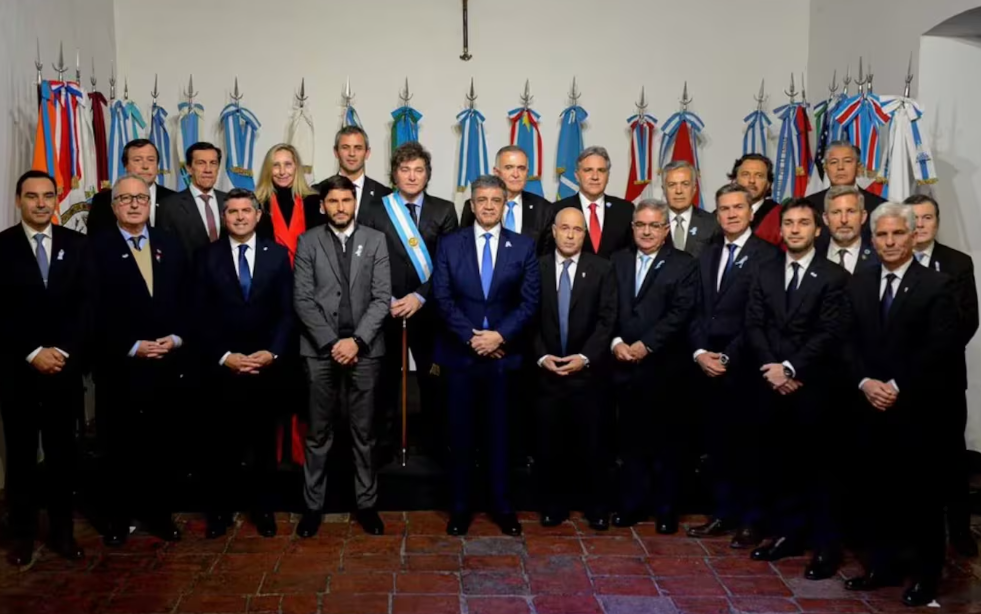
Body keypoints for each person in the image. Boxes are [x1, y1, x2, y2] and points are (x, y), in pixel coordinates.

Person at [842, 203, 958, 606]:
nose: (890, 242)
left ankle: (926, 576)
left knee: (921, 498)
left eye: (897, 234)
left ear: (912, 236)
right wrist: (865, 382)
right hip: (868, 406)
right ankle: (882, 566)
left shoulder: (937, 285)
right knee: (876, 493)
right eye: (882, 235)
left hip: (915, 410)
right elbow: (846, 340)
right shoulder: (859, 281)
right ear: (873, 240)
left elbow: (939, 347)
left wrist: (895, 385)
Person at [745, 199, 851, 581]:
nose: (794, 229)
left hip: (813, 387)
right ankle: (788, 535)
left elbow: (830, 332)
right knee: (780, 465)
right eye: (788, 223)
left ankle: (826, 547)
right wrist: (773, 369)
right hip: (771, 385)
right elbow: (754, 324)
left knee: (819, 471)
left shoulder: (834, 276)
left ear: (817, 230)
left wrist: (791, 368)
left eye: (803, 223)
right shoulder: (764, 271)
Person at [432, 174, 540, 537]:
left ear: (505, 205)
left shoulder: (523, 246)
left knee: (501, 437)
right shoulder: (450, 244)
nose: (489, 206)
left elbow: (529, 302)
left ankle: (503, 507)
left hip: (503, 359)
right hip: (460, 358)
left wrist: (499, 336)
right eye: (482, 200)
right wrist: (471, 338)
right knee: (460, 437)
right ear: (472, 204)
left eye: (496, 200)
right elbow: (442, 297)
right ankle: (460, 508)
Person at [89, 173, 190, 546]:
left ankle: (159, 515)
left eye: (141, 198)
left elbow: (187, 297)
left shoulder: (169, 243)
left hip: (165, 363)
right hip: (120, 366)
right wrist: (132, 346)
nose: (134, 204)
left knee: (161, 445)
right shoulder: (95, 248)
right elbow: (91, 310)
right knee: (119, 446)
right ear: (114, 205)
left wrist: (176, 338)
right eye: (125, 198)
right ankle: (117, 518)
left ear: (150, 204)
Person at [192, 188, 294, 539]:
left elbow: (287, 311)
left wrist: (272, 352)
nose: (239, 217)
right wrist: (224, 356)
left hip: (265, 366)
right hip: (223, 367)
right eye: (232, 212)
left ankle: (263, 509)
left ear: (257, 215)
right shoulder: (206, 256)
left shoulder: (277, 255)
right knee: (222, 445)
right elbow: (199, 314)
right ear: (224, 217)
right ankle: (220, 511)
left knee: (264, 444)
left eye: (245, 211)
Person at [293, 175, 391, 537]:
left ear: (355, 203)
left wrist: (357, 342)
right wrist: (332, 343)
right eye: (332, 201)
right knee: (319, 432)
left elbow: (382, 298)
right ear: (322, 206)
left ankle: (367, 505)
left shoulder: (375, 240)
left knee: (363, 433)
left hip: (365, 351)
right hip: (320, 351)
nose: (340, 207)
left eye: (346, 201)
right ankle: (312, 508)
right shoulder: (308, 241)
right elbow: (302, 299)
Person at [0, 170, 89, 565]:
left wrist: (63, 350)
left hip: (63, 372)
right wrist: (33, 351)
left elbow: (88, 305)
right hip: (18, 372)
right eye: (32, 196)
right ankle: (21, 536)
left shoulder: (78, 244)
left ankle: (62, 533)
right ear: (18, 200)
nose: (41, 203)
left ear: (56, 199)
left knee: (62, 457)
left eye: (48, 196)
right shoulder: (2, 246)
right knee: (20, 458)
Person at [686, 184, 780, 549]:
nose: (731, 214)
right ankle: (722, 513)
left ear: (751, 212)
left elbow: (760, 316)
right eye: (724, 208)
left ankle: (752, 521)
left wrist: (727, 356)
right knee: (718, 446)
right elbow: (695, 308)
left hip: (744, 367)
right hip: (706, 366)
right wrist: (699, 352)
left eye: (738, 207)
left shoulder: (768, 256)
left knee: (750, 449)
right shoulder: (707, 253)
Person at [360, 141, 458, 459]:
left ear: (427, 174)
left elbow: (449, 264)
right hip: (386, 308)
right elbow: (367, 261)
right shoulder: (375, 209)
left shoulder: (444, 210)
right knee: (386, 380)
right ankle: (385, 445)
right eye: (405, 170)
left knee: (433, 381)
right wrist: (386, 298)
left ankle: (433, 445)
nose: (412, 176)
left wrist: (420, 296)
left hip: (429, 310)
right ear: (394, 174)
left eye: (419, 170)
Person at [609, 199, 698, 533]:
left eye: (654, 226)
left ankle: (665, 510)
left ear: (665, 230)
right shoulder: (617, 260)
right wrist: (616, 342)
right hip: (623, 368)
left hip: (664, 370)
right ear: (633, 227)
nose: (646, 232)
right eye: (641, 225)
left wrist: (646, 345)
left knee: (666, 444)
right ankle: (632, 505)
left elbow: (680, 313)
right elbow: (608, 307)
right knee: (630, 443)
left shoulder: (684, 264)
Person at [532, 206, 617, 531]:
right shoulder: (537, 267)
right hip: (547, 374)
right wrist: (542, 356)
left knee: (593, 445)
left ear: (585, 234)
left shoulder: (602, 268)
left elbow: (608, 319)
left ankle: (597, 508)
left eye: (577, 229)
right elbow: (529, 317)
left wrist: (586, 356)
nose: (570, 235)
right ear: (554, 231)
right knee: (550, 446)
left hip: (588, 375)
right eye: (564, 228)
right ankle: (553, 507)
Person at [907, 194, 979, 558]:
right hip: (900, 379)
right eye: (914, 218)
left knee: (951, 457)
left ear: (937, 222)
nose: (920, 225)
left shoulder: (957, 262)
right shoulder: (891, 259)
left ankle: (961, 530)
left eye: (927, 218)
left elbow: (968, 320)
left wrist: (929, 357)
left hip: (944, 378)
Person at [253, 143, 322, 468]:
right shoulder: (257, 205)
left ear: (298, 168)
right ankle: (273, 452)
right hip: (271, 301)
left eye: (288, 164)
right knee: (275, 378)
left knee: (303, 378)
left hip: (311, 298)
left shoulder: (313, 203)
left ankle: (299, 449)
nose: (282, 171)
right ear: (269, 169)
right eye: (276, 165)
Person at [541, 146, 633, 258]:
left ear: (608, 176)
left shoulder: (625, 210)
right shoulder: (558, 210)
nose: (595, 177)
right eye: (588, 170)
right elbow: (547, 255)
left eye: (601, 170)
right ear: (577, 176)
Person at [462, 145, 552, 248]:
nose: (516, 174)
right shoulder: (476, 206)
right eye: (509, 167)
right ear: (496, 172)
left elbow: (546, 253)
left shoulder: (543, 208)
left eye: (521, 168)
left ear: (527, 173)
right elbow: (464, 245)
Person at [87, 139, 175, 236]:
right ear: (125, 165)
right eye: (137, 160)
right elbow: (95, 239)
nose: (145, 166)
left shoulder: (174, 199)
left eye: (151, 160)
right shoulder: (103, 201)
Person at [157, 142, 227, 260]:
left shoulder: (229, 201)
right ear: (189, 168)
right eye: (201, 163)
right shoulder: (169, 206)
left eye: (213, 163)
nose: (208, 169)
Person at [312, 125, 392, 222]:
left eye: (358, 148)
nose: (352, 153)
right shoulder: (315, 193)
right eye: (345, 148)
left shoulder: (385, 195)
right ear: (336, 152)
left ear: (367, 153)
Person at [805, 141, 885, 232]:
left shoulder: (879, 206)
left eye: (847, 161)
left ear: (858, 167)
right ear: (825, 168)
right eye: (834, 162)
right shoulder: (809, 206)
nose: (840, 167)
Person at [663, 160, 721, 258]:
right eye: (672, 185)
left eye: (685, 184)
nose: (678, 191)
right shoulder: (653, 223)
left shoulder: (711, 223)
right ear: (664, 190)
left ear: (694, 188)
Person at [816, 185, 879, 275]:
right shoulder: (813, 258)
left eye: (851, 211)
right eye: (836, 212)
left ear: (863, 217)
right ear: (826, 219)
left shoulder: (879, 260)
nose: (844, 220)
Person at [728, 154, 782, 247]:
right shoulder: (718, 216)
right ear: (734, 181)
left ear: (768, 184)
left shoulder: (780, 215)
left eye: (759, 176)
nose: (752, 180)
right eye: (745, 174)